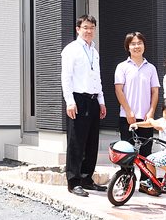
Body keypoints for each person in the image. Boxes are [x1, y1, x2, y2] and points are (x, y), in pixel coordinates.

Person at [61, 14, 107, 197]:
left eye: (92, 27)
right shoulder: (71, 49)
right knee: (76, 142)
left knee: (91, 142)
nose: (89, 31)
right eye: (85, 27)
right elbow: (66, 78)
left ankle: (87, 179)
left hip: (93, 100)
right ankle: (74, 182)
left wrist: (101, 101)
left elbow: (98, 78)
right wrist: (70, 102)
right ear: (78, 29)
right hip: (78, 100)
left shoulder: (94, 52)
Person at [114, 32, 160, 156]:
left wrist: (151, 112)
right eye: (133, 44)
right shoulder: (122, 67)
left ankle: (145, 177)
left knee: (146, 154)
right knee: (126, 153)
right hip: (127, 117)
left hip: (146, 119)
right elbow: (118, 90)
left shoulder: (151, 68)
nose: (136, 46)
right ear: (128, 47)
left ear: (144, 46)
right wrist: (128, 111)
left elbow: (155, 91)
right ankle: (127, 176)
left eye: (139, 43)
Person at [131, 97, 166, 189]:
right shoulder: (163, 120)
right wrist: (136, 124)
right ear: (162, 111)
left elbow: (156, 126)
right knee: (148, 160)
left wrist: (151, 119)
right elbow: (150, 124)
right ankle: (153, 181)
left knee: (159, 161)